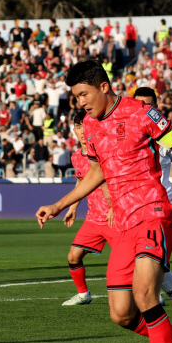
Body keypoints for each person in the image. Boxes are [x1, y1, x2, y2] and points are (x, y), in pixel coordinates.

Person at [35, 61, 172, 343]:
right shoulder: (92, 127)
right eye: (76, 96)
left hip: (153, 213)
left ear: (104, 86)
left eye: (84, 94)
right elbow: (96, 174)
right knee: (121, 313)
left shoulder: (141, 113)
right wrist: (59, 205)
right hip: (121, 223)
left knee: (144, 295)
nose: (80, 102)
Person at [132, 87, 172, 331]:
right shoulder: (127, 131)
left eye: (149, 104)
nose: (144, 109)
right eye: (139, 104)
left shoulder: (168, 134)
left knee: (153, 261)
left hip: (160, 207)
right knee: (148, 263)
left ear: (156, 106)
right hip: (133, 207)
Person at [61, 110, 113, 306]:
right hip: (93, 219)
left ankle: (154, 294)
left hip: (114, 216)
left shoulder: (103, 151)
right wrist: (73, 207)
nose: (82, 131)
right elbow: (82, 182)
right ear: (74, 129)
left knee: (133, 262)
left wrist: (114, 207)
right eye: (78, 126)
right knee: (73, 256)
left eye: (85, 125)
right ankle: (83, 294)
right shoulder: (76, 157)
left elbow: (115, 181)